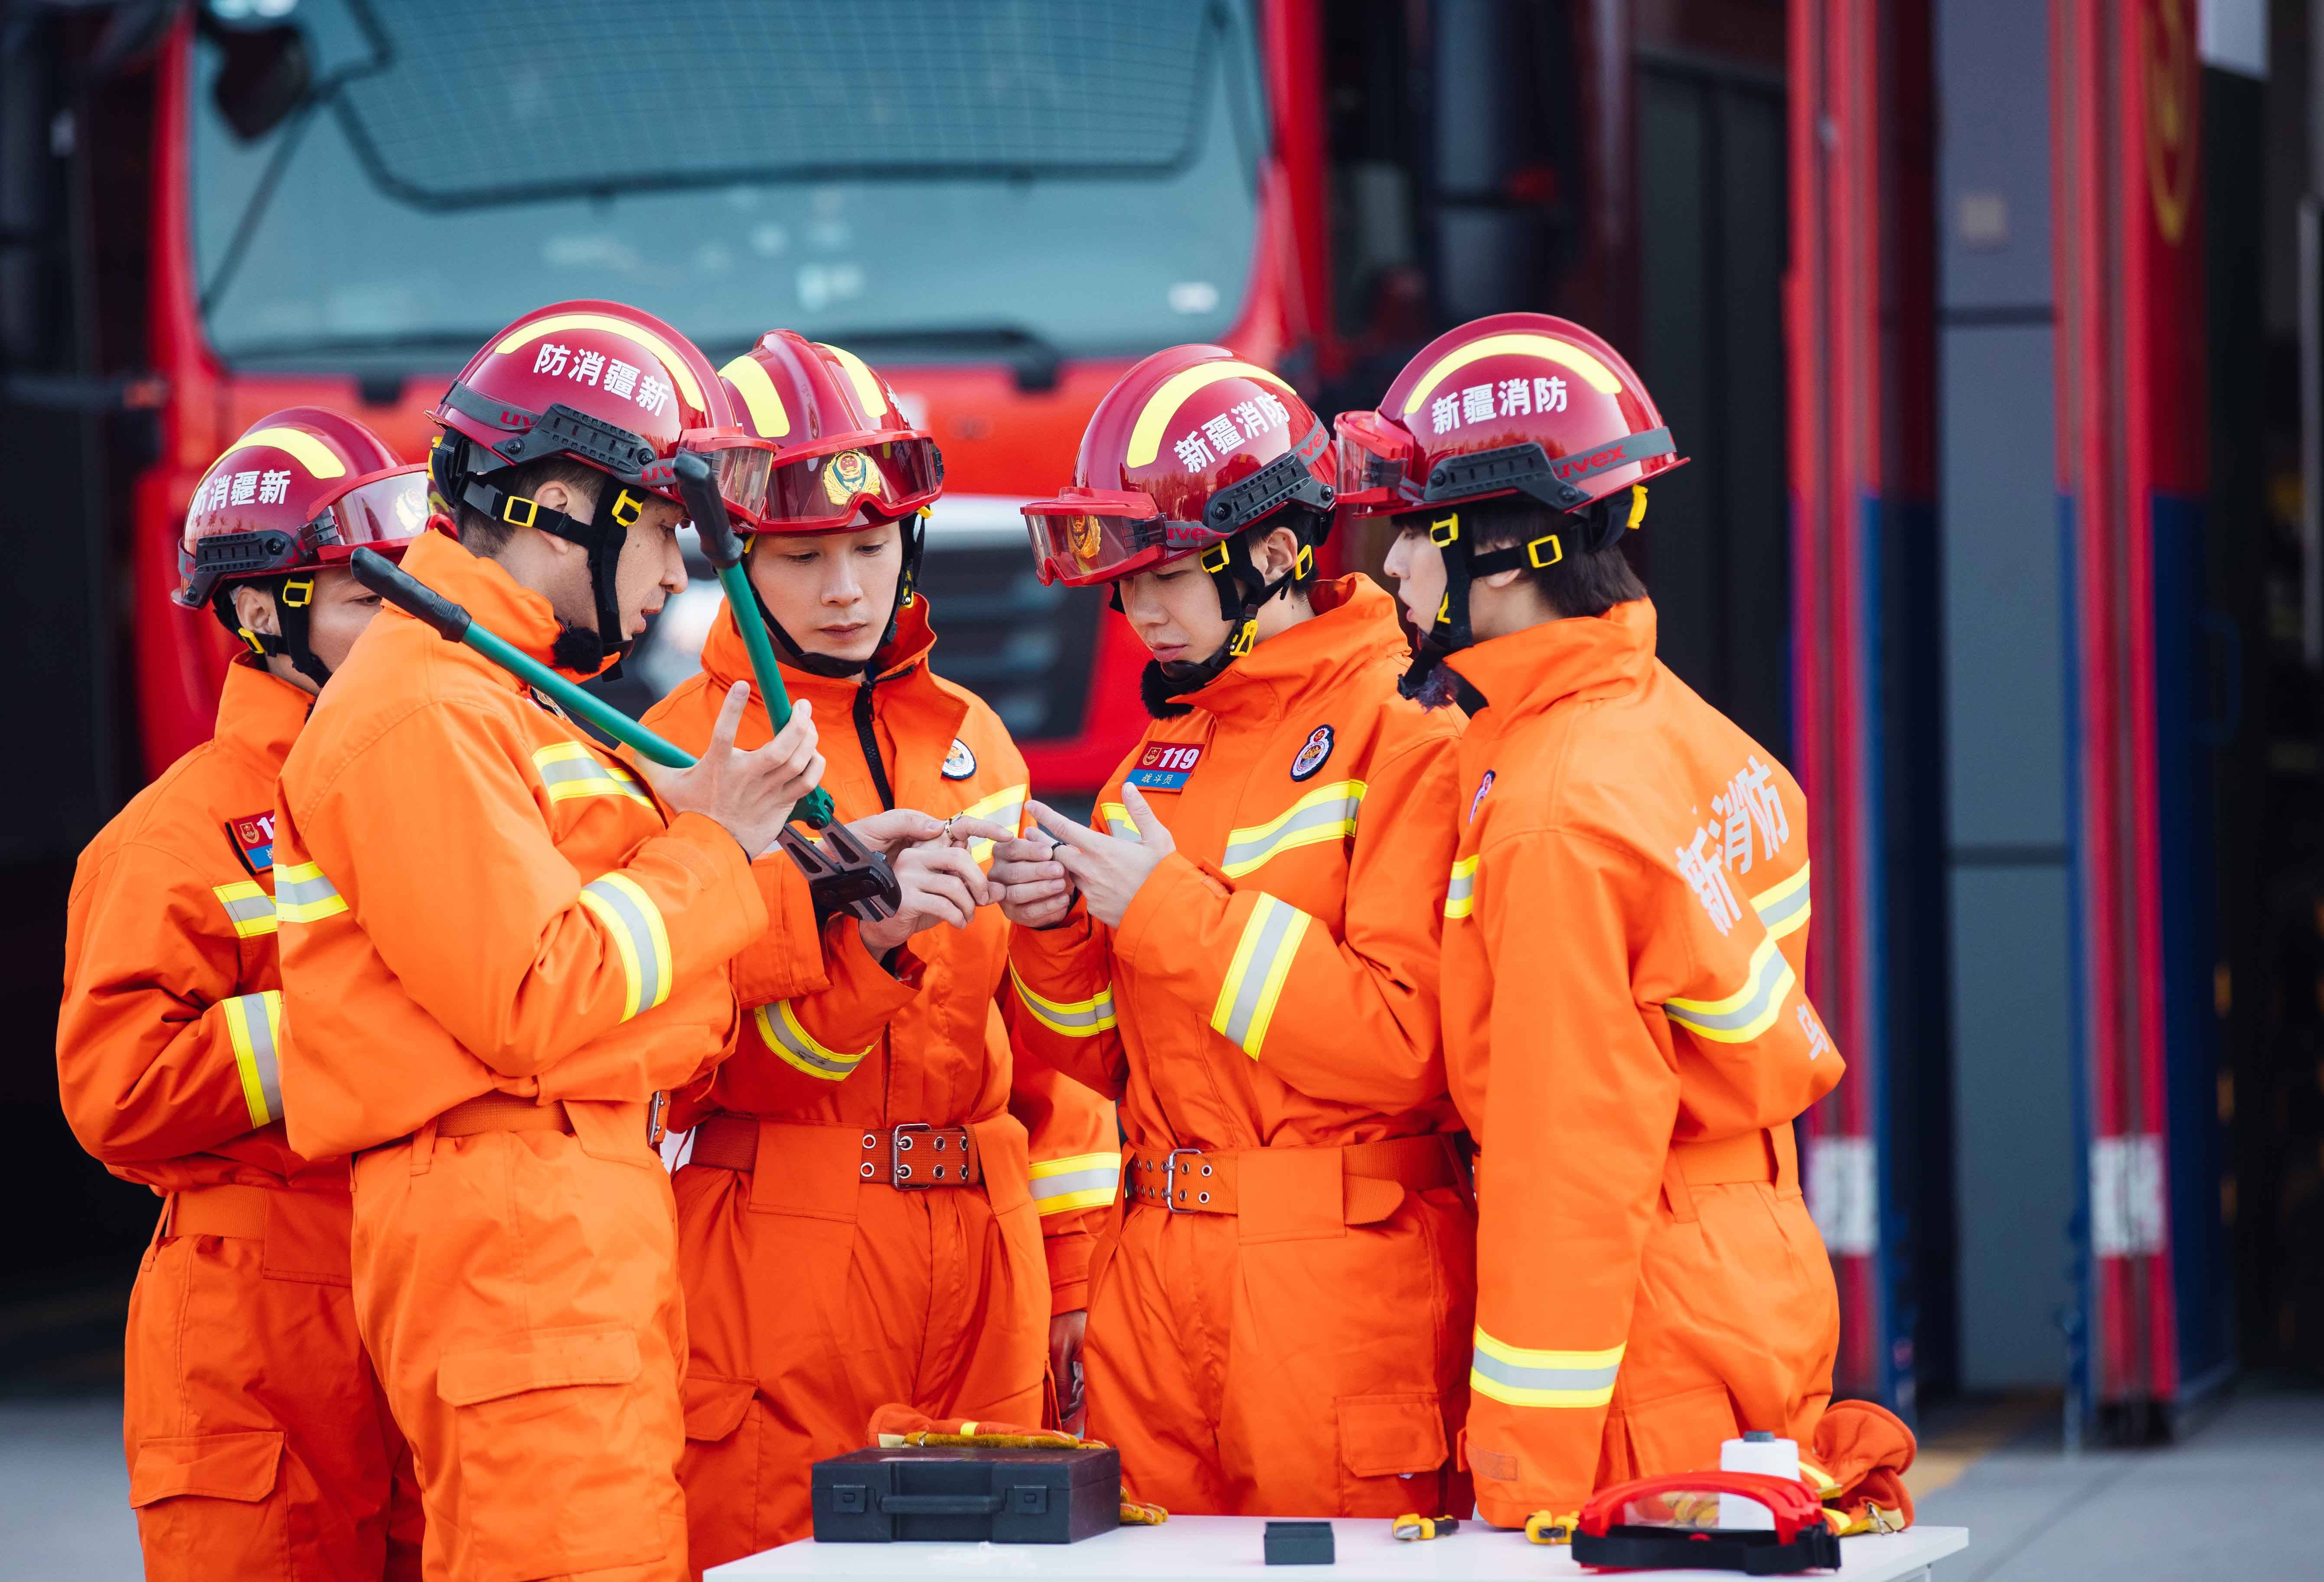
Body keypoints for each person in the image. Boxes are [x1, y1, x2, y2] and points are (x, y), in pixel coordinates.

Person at [269, 301, 817, 1582]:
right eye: (672, 528)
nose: (682, 572)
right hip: (521, 1239)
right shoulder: (424, 710)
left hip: (557, 1230)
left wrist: (789, 873)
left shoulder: (493, 700)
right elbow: (535, 990)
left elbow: (621, 960)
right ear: (569, 502)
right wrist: (716, 843)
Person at [1338, 311, 1843, 1534]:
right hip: (1747, 1275)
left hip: (1639, 1340)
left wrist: (1534, 1490)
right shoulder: (1685, 733)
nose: (1387, 571)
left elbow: (1568, 1164)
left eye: (1413, 531)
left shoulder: (1554, 816)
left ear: (1500, 553)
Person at [641, 331, 1117, 1568]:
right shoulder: (683, 757)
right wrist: (868, 940)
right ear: (738, 553)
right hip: (779, 1251)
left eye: (868, 548)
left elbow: (1047, 1066)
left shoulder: (978, 741)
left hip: (990, 1249)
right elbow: (685, 1060)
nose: (846, 589)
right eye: (803, 559)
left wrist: (1068, 1281)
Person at [988, 344, 1475, 1518]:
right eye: (1125, 581)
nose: (1139, 611)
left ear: (1275, 554)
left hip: (1341, 1276)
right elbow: (1097, 1059)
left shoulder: (1407, 737)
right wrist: (1055, 934)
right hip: (1157, 1273)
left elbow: (1406, 1045)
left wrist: (1163, 911)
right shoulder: (1155, 768)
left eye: (1170, 575)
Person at [57, 408, 428, 1580]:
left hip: (423, 1278)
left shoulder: (449, 788)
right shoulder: (173, 834)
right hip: (253, 1319)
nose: (408, 629)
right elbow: (116, 1093)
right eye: (371, 600)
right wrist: (351, 1013)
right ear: (262, 614)